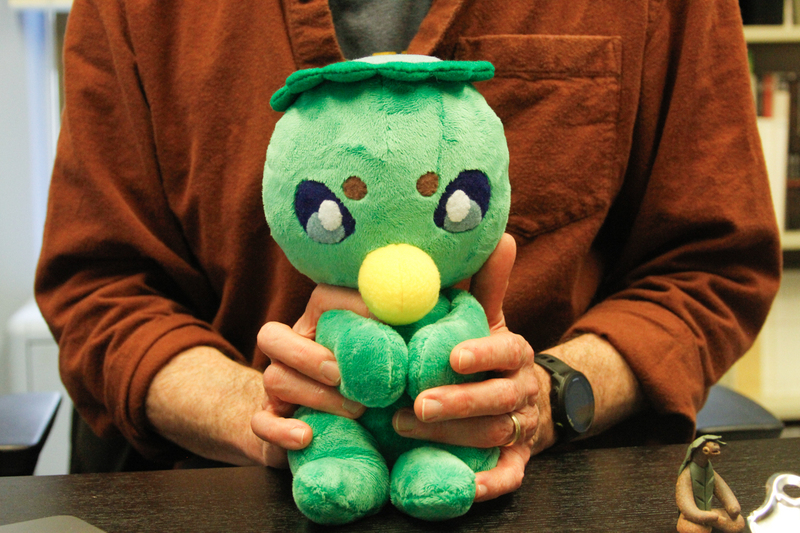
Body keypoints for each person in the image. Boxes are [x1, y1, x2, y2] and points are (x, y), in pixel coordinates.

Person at [35, 0, 780, 505]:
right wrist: (263, 414)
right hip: (224, 497)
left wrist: (547, 394)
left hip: (549, 493)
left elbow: (711, 263)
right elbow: (99, 285)